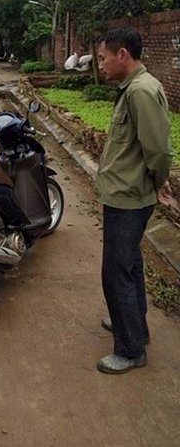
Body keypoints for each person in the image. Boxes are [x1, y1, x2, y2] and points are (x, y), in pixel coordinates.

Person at [95, 26, 173, 374]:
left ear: (121, 55)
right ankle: (134, 326)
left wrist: (158, 184)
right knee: (130, 266)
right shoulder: (131, 89)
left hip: (130, 198)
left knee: (115, 274)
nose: (100, 65)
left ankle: (130, 350)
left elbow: (158, 149)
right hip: (123, 194)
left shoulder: (141, 91)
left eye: (103, 58)